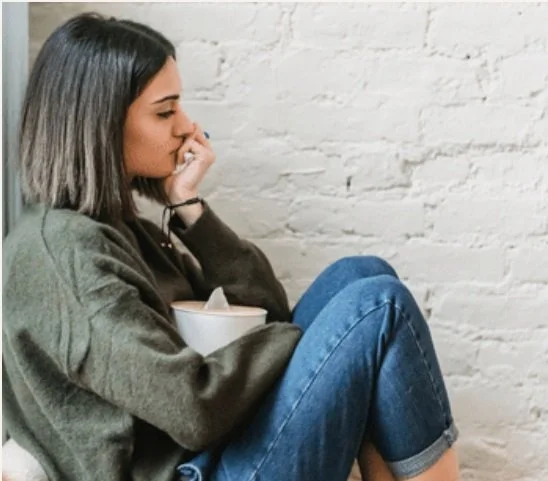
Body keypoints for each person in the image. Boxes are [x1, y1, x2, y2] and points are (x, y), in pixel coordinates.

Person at [2, 12, 460, 481]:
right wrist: (307, 341)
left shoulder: (120, 228)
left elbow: (268, 310)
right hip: (195, 469)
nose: (186, 126)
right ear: (101, 124)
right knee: (378, 306)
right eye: (165, 112)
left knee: (362, 274)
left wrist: (189, 208)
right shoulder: (64, 255)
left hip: (217, 449)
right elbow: (192, 407)